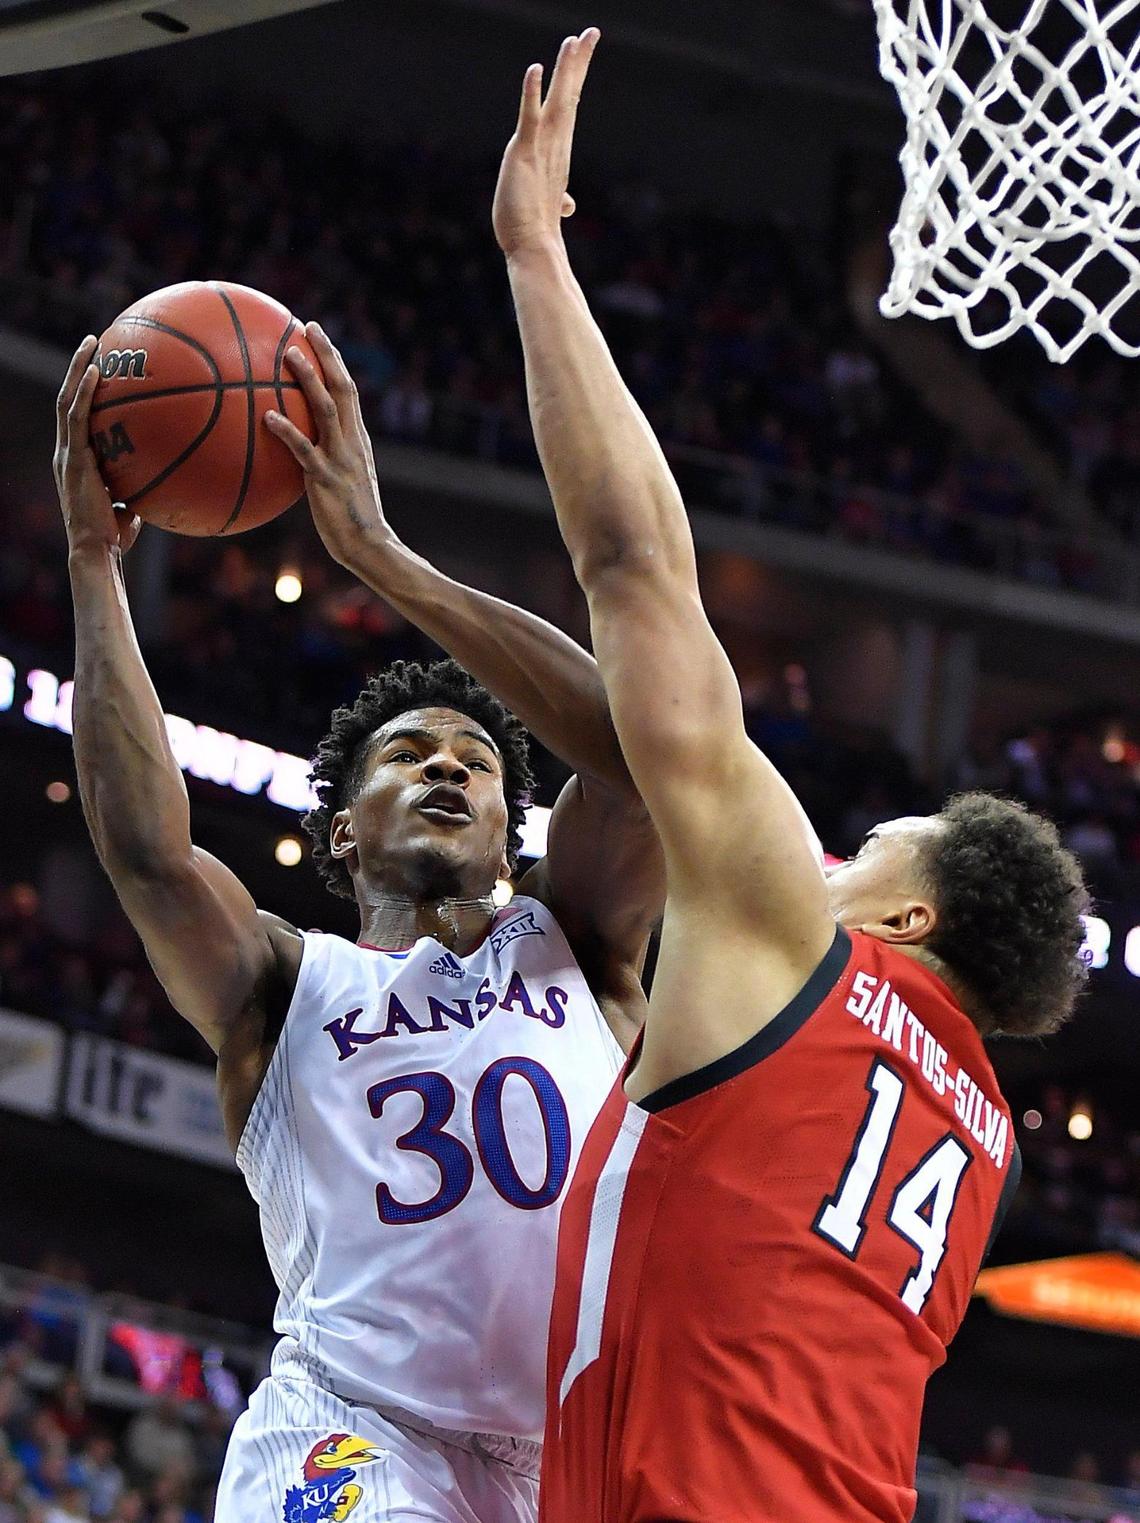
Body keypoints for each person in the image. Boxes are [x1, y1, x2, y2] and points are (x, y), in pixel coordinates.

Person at [491, 30, 1091, 1523]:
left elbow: (635, 567)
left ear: (912, 920)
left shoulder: (796, 948)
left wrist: (531, 261)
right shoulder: (980, 1134)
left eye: (875, 847)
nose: (832, 852)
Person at [55, 334, 662, 1523]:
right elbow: (145, 850)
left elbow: (643, 754)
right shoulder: (285, 982)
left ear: (510, 831)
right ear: (339, 832)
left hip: (580, 1455)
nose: (447, 764)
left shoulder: (577, 936)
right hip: (350, 1432)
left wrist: (381, 556)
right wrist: (91, 561)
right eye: (409, 753)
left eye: (477, 760)